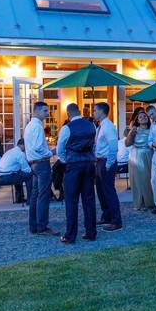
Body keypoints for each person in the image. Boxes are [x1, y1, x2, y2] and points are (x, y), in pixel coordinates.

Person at [56, 103, 97, 243]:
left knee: (71, 200)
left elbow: (60, 148)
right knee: (89, 199)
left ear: (68, 114)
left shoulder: (67, 128)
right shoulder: (91, 125)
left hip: (73, 164)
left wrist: (64, 160)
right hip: (89, 164)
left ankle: (70, 235)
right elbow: (94, 144)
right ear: (80, 111)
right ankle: (91, 232)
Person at [24, 101, 59, 236]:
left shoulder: (29, 126)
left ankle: (34, 225)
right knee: (43, 196)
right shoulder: (37, 126)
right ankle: (42, 227)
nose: (47, 113)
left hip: (33, 163)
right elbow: (39, 147)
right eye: (45, 111)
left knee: (35, 196)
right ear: (37, 111)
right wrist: (51, 152)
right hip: (41, 163)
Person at [93, 102, 122, 232]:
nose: (93, 113)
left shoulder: (108, 127)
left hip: (106, 162)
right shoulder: (100, 126)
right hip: (99, 161)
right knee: (101, 191)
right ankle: (107, 215)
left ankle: (116, 221)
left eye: (95, 110)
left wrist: (109, 163)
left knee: (109, 191)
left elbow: (113, 147)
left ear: (101, 111)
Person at [0, 138, 31, 203]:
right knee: (29, 175)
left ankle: (20, 198)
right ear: (23, 145)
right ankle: (30, 199)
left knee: (19, 174)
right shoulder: (20, 154)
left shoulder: (10, 151)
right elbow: (26, 170)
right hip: (4, 177)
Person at [124, 108, 154, 210]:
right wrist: (131, 134)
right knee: (137, 181)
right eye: (140, 117)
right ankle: (139, 202)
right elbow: (127, 144)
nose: (143, 118)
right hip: (136, 156)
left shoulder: (152, 129)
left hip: (148, 155)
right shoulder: (135, 130)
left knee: (148, 179)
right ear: (137, 120)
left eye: (145, 116)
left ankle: (149, 202)